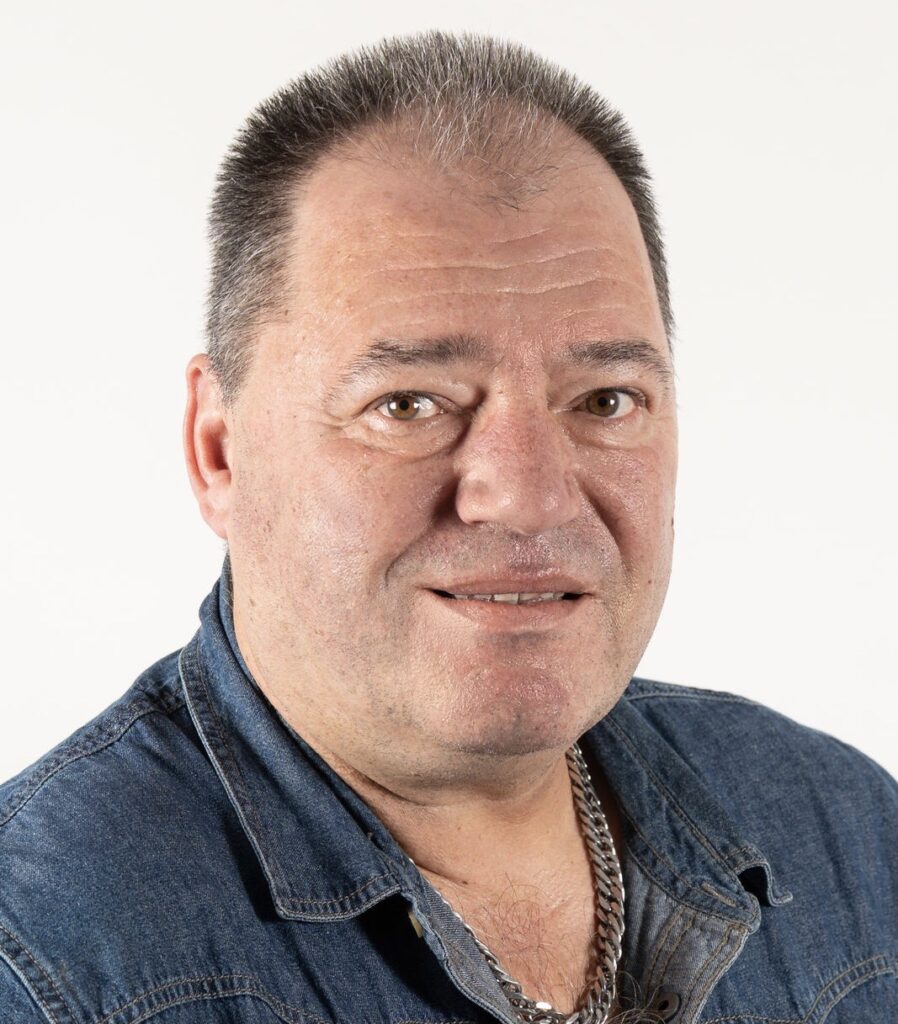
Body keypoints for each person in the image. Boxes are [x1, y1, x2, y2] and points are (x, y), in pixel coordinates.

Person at [1, 29, 895, 1024]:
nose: (528, 497)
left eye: (604, 399)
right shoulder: (46, 967)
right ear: (220, 450)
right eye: (409, 404)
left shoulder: (847, 839)